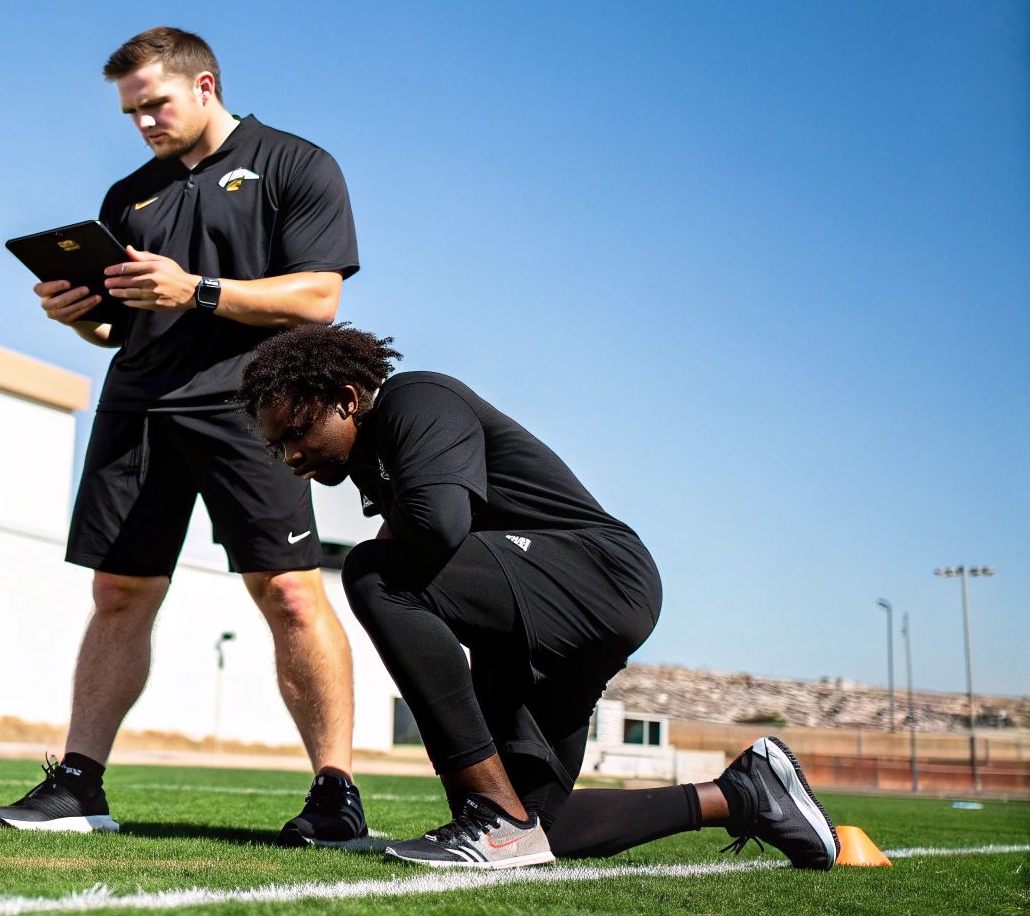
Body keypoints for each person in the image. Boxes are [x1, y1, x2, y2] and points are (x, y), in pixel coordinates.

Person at [237, 324, 838, 869]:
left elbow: (440, 525)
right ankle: (743, 794)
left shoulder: (415, 400)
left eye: (297, 432)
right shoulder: (376, 461)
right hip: (545, 621)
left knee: (371, 573)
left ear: (346, 399)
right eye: (276, 446)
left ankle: (493, 820)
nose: (290, 456)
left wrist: (403, 605)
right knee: (544, 825)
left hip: (599, 574)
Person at [0, 27, 366, 845]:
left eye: (154, 103)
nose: (144, 121)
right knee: (118, 593)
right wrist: (79, 318)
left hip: (253, 408)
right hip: (139, 405)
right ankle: (79, 784)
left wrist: (195, 290)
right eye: (131, 111)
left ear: (205, 84)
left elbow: (318, 299)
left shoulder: (296, 165)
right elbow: (121, 330)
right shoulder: (130, 197)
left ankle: (335, 796)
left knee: (292, 591)